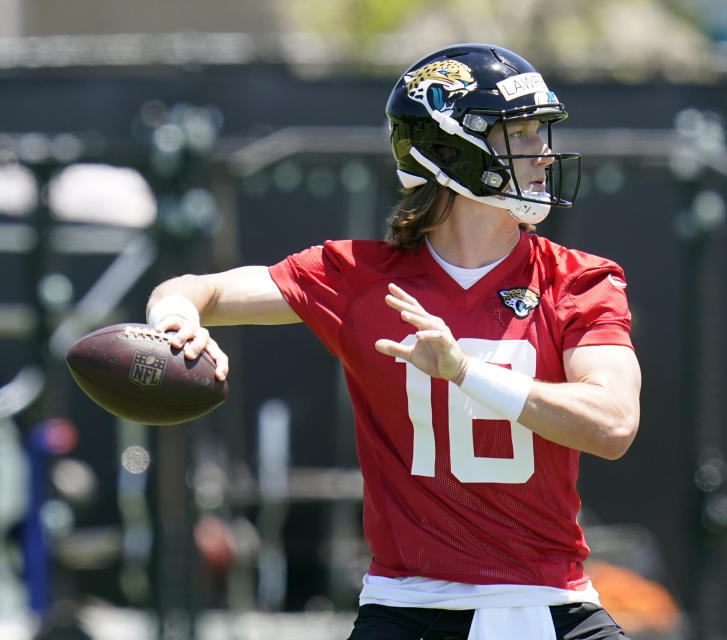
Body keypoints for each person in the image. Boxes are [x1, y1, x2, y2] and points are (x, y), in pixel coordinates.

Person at [146, 43, 643, 640]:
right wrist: (178, 317)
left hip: (551, 601)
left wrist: (465, 371)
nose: (543, 155)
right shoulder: (359, 277)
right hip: (409, 608)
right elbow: (193, 289)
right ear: (450, 150)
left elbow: (612, 424)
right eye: (522, 134)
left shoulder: (579, 279)